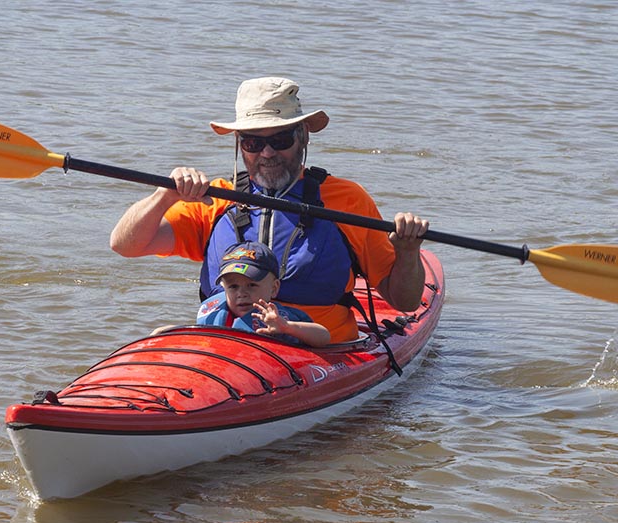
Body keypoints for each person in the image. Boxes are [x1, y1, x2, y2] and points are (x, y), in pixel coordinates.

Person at [111, 76, 429, 344]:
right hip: (230, 346)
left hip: (318, 351)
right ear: (239, 144)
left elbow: (404, 300)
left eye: (280, 139)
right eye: (252, 142)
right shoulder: (216, 200)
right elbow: (125, 245)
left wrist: (408, 252)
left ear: (303, 136)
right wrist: (164, 196)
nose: (266, 152)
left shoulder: (347, 200)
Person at [198, 241, 331, 347]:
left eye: (252, 285)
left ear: (274, 288)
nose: (241, 293)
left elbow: (324, 337)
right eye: (233, 286)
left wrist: (286, 327)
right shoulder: (212, 312)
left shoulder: (279, 318)